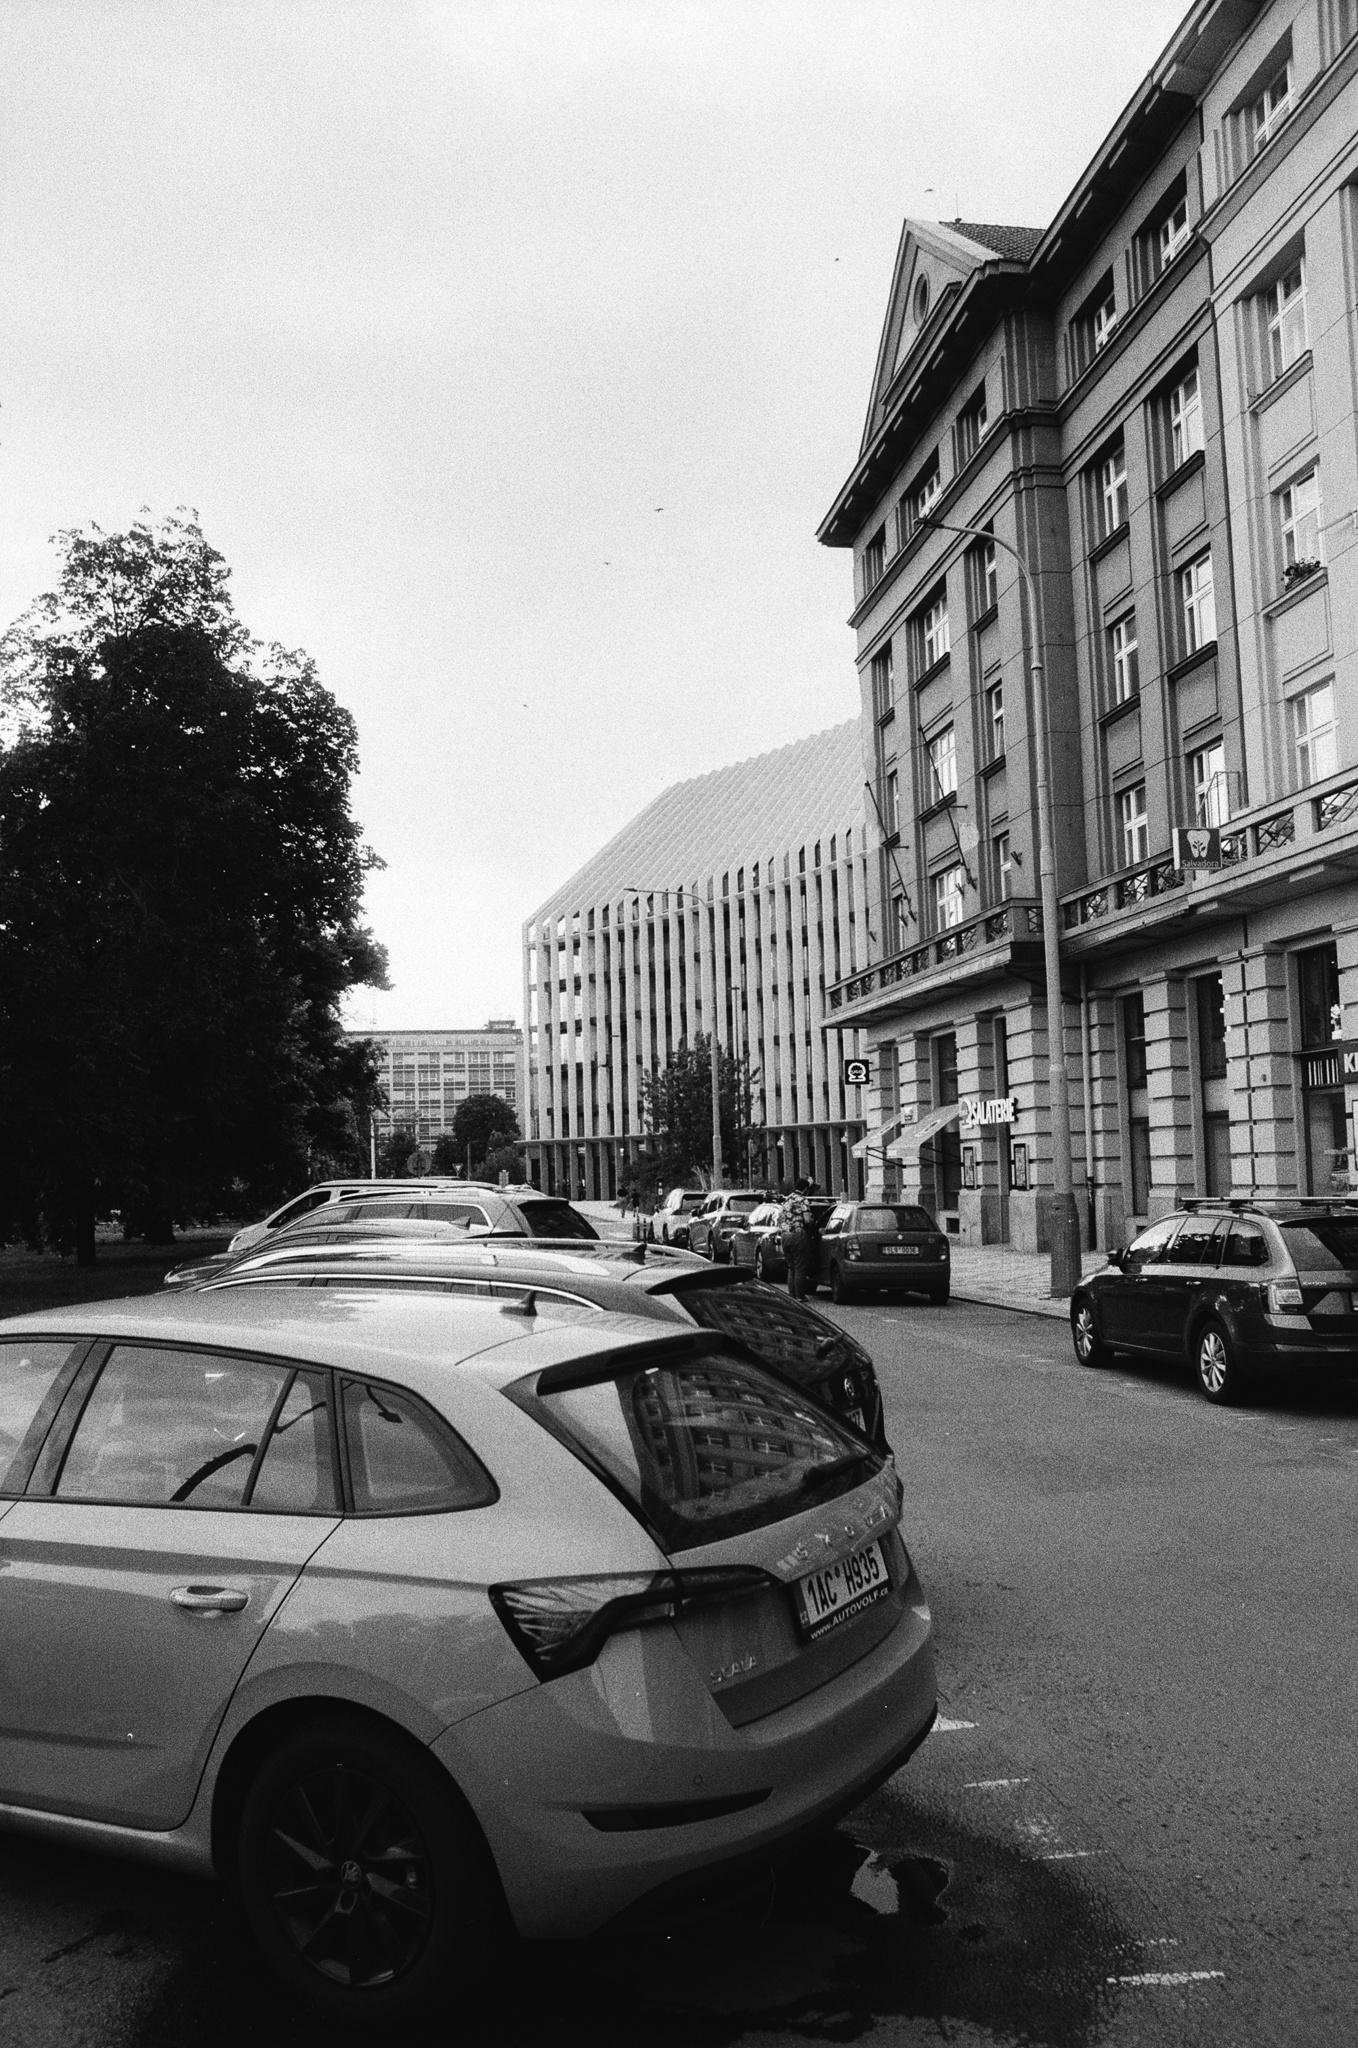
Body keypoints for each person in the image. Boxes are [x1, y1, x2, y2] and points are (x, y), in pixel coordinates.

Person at [780, 1178, 817, 1299]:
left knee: (791, 1267)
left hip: (785, 1235)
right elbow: (807, 1220)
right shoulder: (802, 1200)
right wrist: (812, 1221)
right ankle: (800, 1296)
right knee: (800, 1267)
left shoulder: (787, 1199)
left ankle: (792, 1296)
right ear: (805, 1189)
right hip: (798, 1234)